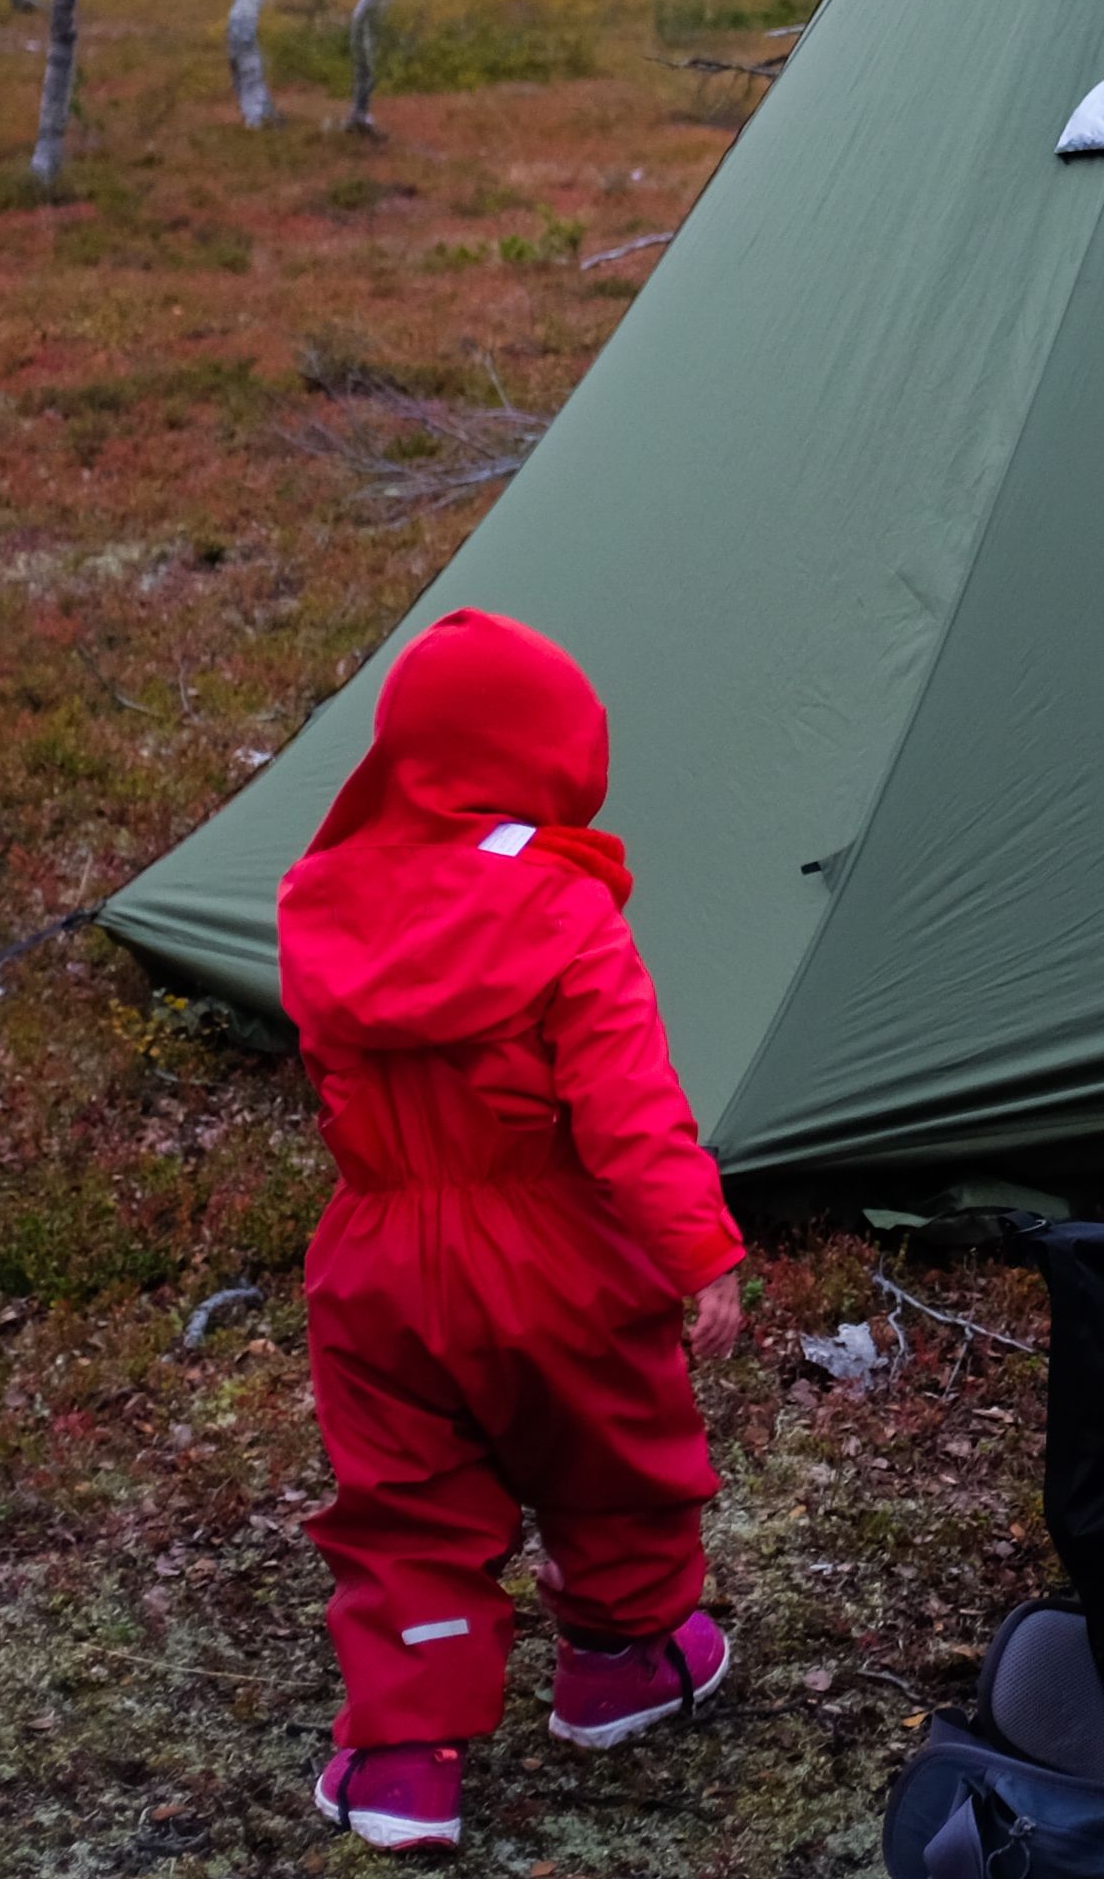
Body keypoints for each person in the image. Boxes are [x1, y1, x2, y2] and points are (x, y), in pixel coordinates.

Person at [280, 609, 748, 1856]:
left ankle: (399, 1761)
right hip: (554, 1246)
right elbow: (629, 1110)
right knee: (617, 1458)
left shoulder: (320, 903)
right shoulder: (565, 911)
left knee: (408, 1506)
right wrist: (698, 1248)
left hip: (375, 1259)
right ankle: (623, 1660)